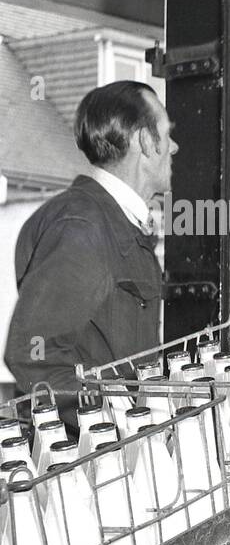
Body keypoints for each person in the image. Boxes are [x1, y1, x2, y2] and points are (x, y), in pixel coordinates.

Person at [6, 82, 175, 415]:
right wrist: (109, 418)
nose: (175, 147)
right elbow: (33, 354)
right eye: (167, 134)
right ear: (144, 140)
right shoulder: (83, 226)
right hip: (90, 455)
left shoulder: (115, 223)